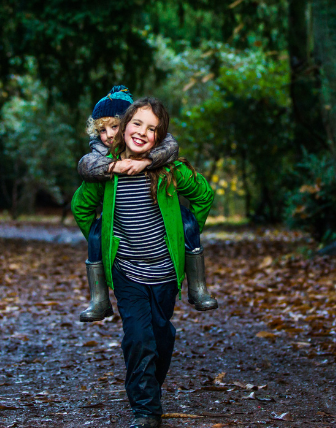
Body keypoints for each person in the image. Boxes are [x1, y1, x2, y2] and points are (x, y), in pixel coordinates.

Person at [72, 97, 215, 428]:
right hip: (128, 271)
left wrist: (184, 235)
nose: (141, 132)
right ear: (124, 127)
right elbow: (81, 208)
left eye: (151, 129)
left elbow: (204, 196)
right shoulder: (107, 173)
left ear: (159, 137)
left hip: (165, 272)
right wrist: (104, 241)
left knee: (161, 336)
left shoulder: (170, 170)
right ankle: (146, 411)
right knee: (138, 337)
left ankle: (149, 388)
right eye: (136, 123)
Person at [76, 86, 217, 323]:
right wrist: (108, 234)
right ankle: (99, 298)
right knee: (97, 235)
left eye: (115, 126)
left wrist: (148, 162)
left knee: (187, 224)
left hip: (164, 262)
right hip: (126, 264)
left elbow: (172, 149)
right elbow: (82, 195)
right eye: (102, 130)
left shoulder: (164, 155)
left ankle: (197, 285)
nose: (110, 135)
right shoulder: (100, 162)